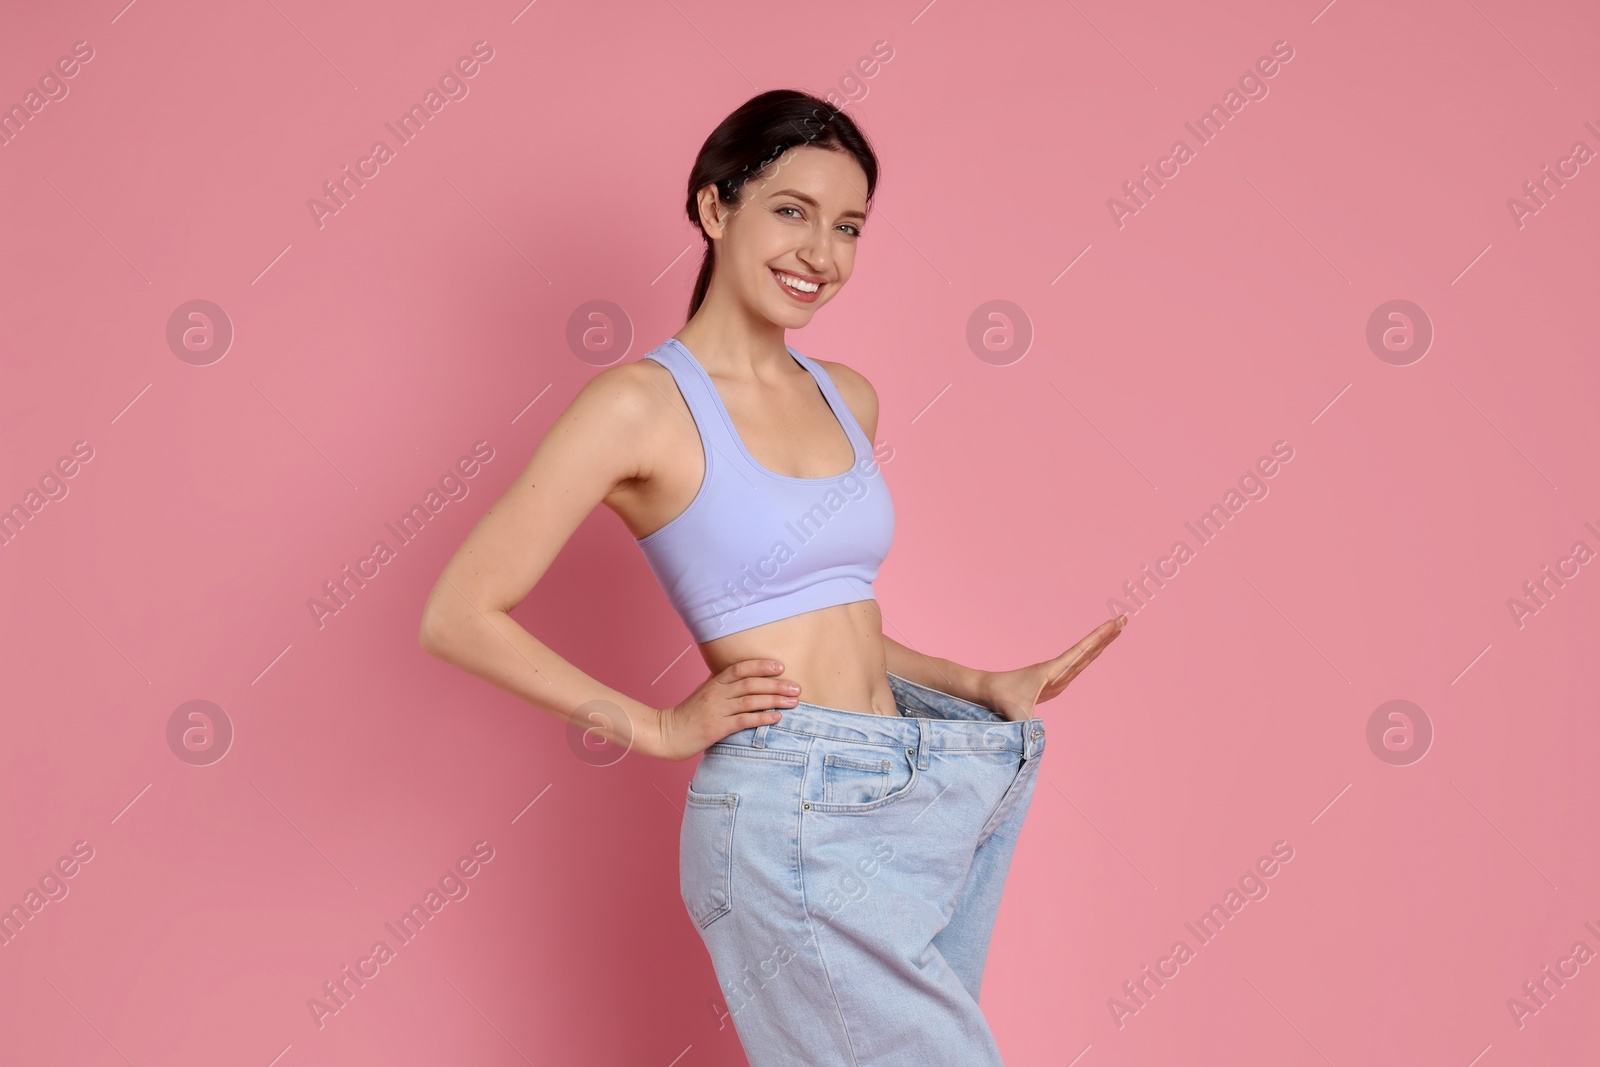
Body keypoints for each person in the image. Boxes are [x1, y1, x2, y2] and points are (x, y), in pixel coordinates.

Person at [418, 88, 1126, 1066]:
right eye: (790, 211)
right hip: (793, 802)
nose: (821, 254)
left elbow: (818, 615)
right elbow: (459, 612)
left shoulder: (849, 398)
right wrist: (657, 727)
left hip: (918, 789)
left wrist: (974, 684)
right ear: (716, 208)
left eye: (848, 227)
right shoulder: (639, 405)